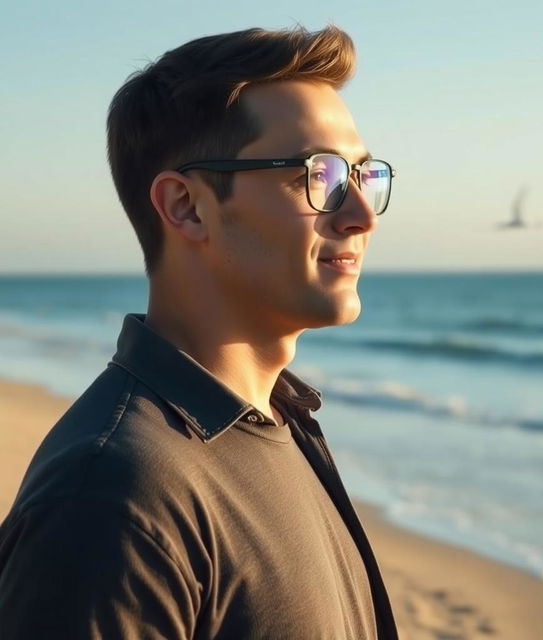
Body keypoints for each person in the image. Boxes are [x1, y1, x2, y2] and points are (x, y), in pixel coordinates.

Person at [0, 25, 397, 639]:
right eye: (318, 177)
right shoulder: (112, 498)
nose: (361, 215)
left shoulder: (281, 425)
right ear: (186, 206)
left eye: (362, 175)